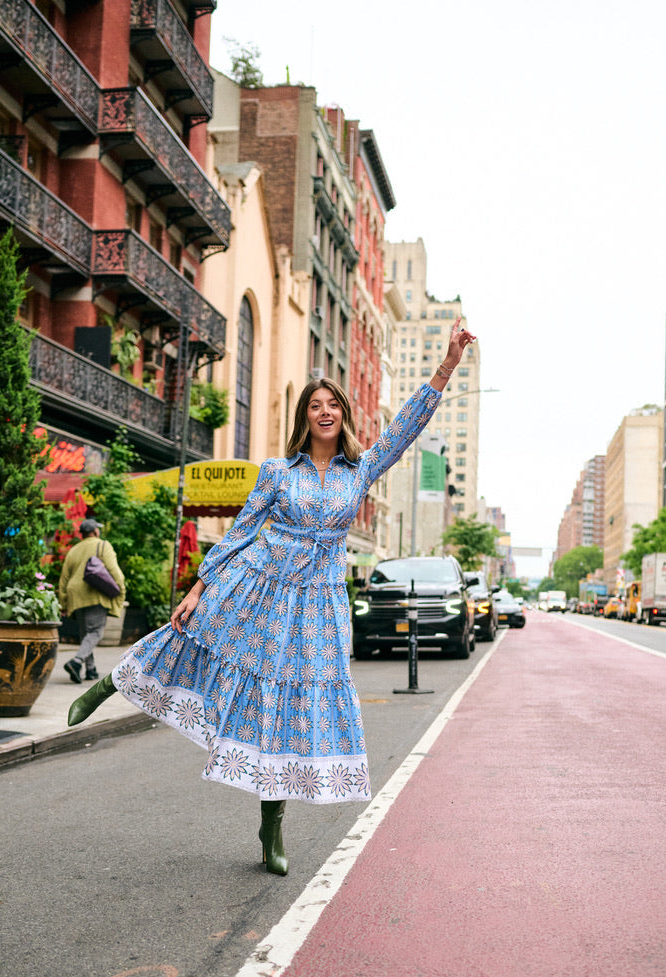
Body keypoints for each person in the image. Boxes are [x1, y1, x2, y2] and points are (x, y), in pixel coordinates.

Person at [67, 321, 476, 875]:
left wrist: (447, 365)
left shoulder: (362, 470)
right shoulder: (278, 472)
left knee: (287, 710)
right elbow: (241, 532)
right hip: (260, 584)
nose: (325, 412)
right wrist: (198, 587)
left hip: (317, 605)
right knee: (191, 634)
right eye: (315, 405)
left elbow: (406, 427)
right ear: (304, 417)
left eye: (333, 404)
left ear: (343, 415)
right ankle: (109, 684)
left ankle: (271, 827)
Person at [58, 518, 126, 683]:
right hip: (94, 593)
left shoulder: (74, 550)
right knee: (95, 632)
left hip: (75, 595)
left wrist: (64, 602)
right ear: (95, 531)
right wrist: (121, 589)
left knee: (85, 634)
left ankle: (91, 669)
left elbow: (64, 579)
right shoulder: (102, 545)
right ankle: (76, 662)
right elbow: (114, 571)